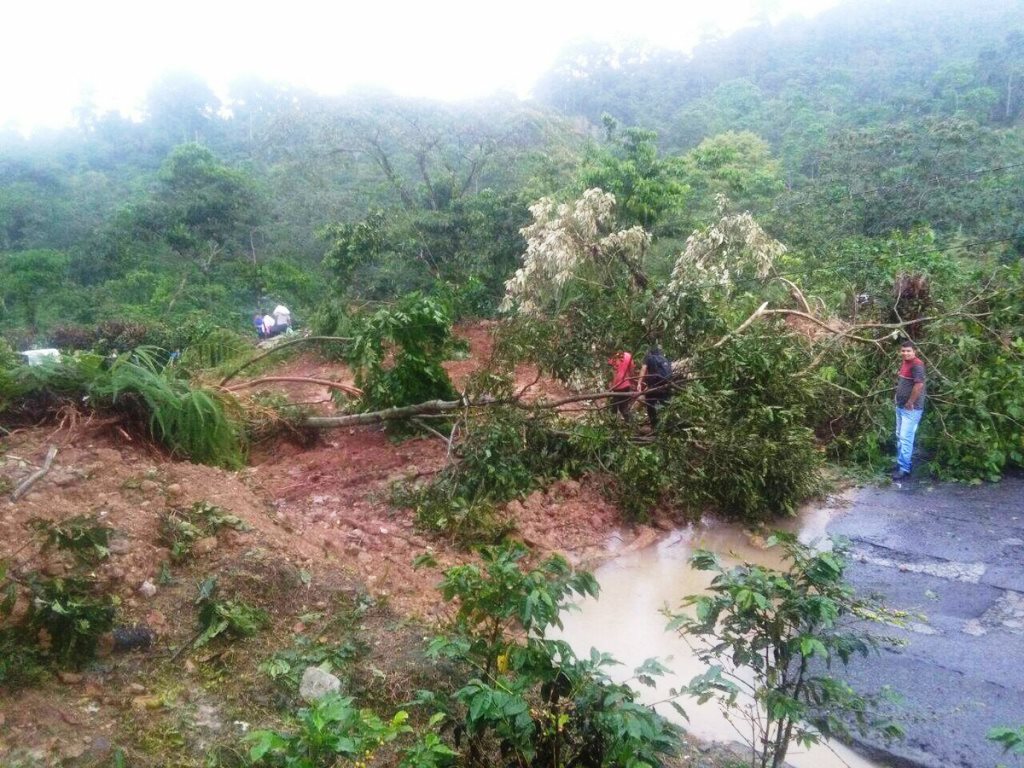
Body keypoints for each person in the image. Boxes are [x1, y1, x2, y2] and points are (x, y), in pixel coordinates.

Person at [893, 339, 926, 480]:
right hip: (900, 406)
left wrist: (910, 402)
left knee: (906, 438)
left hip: (911, 409)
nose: (905, 353)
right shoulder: (905, 362)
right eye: (903, 351)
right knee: (900, 436)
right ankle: (902, 464)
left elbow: (919, 386)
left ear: (914, 352)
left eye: (908, 351)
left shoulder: (917, 365)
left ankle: (904, 469)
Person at [638, 345, 673, 429]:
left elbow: (643, 369)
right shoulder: (665, 359)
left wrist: (639, 383)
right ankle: (667, 425)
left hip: (654, 386)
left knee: (650, 405)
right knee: (665, 404)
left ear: (650, 352)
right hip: (665, 385)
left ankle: (654, 426)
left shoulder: (649, 358)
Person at [607, 351, 636, 422]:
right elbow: (631, 371)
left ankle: (613, 424)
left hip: (616, 386)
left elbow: (612, 373)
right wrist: (632, 382)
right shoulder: (628, 356)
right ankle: (631, 424)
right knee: (624, 407)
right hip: (626, 384)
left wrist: (610, 387)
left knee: (614, 407)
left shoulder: (613, 356)